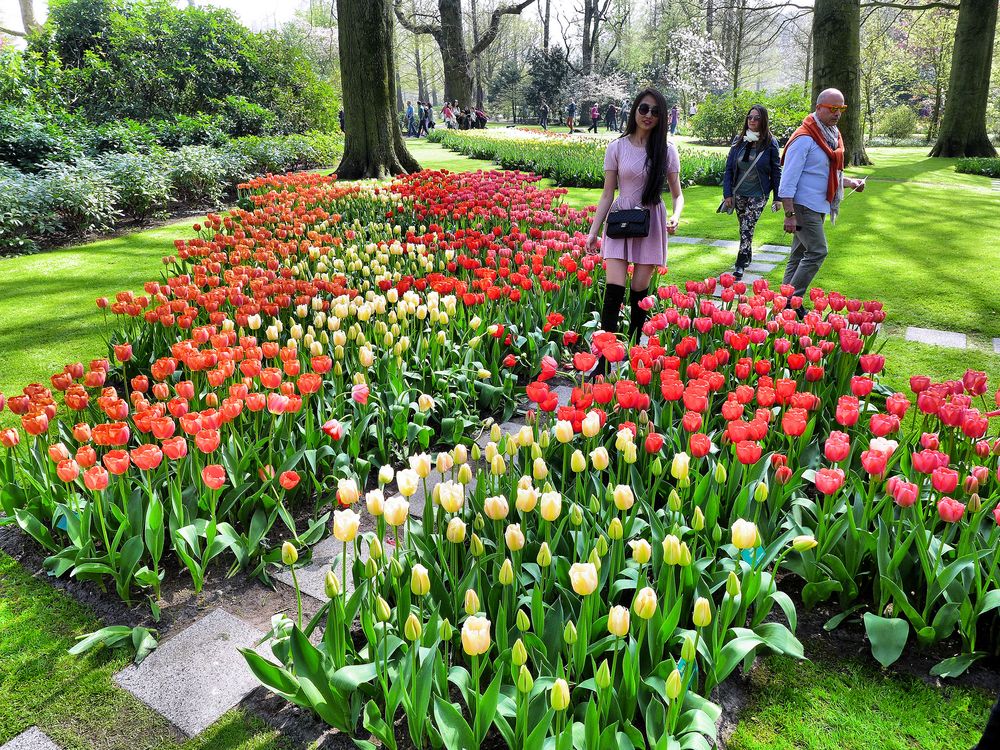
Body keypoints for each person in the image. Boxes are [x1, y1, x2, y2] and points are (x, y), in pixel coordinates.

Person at [585, 87, 684, 377]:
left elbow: (678, 195)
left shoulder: (666, 151)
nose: (649, 115)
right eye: (644, 109)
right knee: (613, 290)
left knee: (639, 293)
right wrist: (593, 232)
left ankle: (632, 353)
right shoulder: (616, 147)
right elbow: (607, 194)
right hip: (620, 221)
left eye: (655, 111)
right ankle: (603, 361)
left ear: (662, 116)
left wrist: (676, 217)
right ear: (634, 111)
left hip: (651, 221)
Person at [777, 88, 866, 309]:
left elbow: (827, 174)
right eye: (832, 108)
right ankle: (791, 304)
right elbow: (787, 181)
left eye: (841, 108)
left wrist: (851, 182)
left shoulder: (832, 136)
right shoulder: (804, 138)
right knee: (818, 251)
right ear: (818, 108)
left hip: (819, 205)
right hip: (803, 206)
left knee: (798, 256)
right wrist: (790, 215)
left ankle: (781, 302)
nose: (837, 113)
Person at [721, 104, 782, 280]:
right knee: (744, 227)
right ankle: (747, 253)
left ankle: (740, 263)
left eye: (756, 118)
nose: (752, 121)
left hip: (759, 194)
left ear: (763, 120)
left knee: (748, 225)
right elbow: (729, 170)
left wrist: (777, 198)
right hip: (739, 192)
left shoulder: (770, 142)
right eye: (750, 117)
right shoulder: (738, 140)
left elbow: (776, 171)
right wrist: (727, 194)